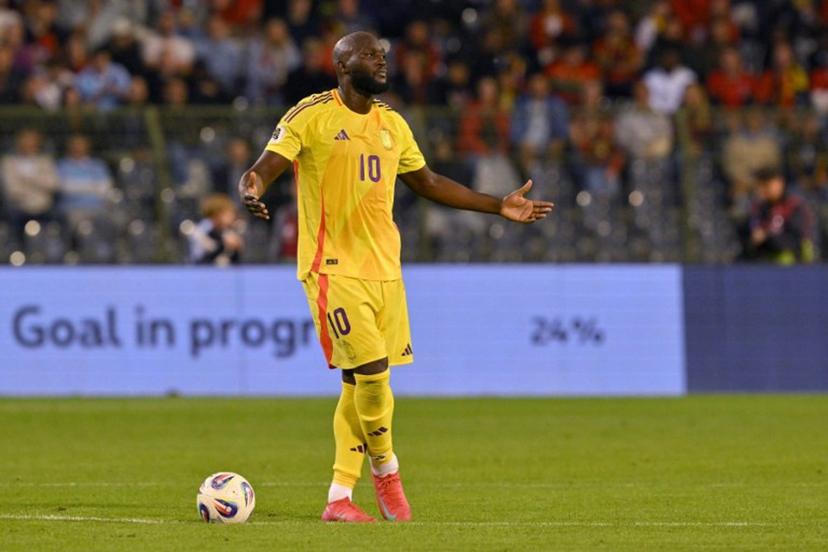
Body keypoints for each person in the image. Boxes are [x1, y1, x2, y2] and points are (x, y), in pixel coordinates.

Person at [238, 31, 553, 523]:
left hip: (385, 269)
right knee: (372, 373)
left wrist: (497, 206)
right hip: (332, 267)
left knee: (358, 384)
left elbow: (428, 182)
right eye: (369, 54)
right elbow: (265, 167)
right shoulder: (310, 115)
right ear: (343, 65)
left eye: (383, 54)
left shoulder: (393, 123)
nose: (381, 61)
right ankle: (387, 471)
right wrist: (252, 187)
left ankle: (339, 498)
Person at [746, 167, 815, 264]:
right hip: (765, 265)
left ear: (779, 183)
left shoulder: (795, 206)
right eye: (760, 187)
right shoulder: (759, 209)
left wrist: (767, 236)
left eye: (766, 185)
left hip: (796, 266)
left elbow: (796, 241)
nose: (762, 190)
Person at [189, 194, 244, 265]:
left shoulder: (228, 231)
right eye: (228, 214)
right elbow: (201, 257)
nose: (232, 217)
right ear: (217, 215)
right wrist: (223, 244)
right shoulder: (204, 230)